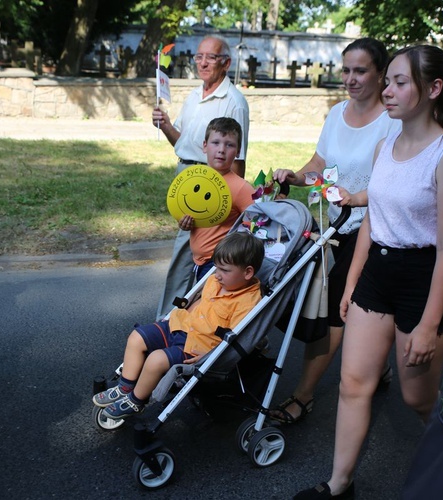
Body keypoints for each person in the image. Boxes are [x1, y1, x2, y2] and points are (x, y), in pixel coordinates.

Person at [293, 44, 443, 499]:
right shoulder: (385, 144)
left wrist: (429, 326)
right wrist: (352, 281)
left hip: (423, 280)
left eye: (398, 82)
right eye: (387, 81)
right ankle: (339, 485)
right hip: (377, 271)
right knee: (354, 383)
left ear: (433, 89)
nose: (387, 91)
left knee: (417, 398)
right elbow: (374, 218)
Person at [269, 38, 400, 424]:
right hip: (327, 227)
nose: (351, 79)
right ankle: (380, 369)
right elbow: (320, 166)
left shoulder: (392, 122)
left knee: (334, 316)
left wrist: (354, 199)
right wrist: (294, 177)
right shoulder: (336, 113)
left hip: (368, 232)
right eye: (346, 70)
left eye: (360, 71)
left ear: (380, 74)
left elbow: (390, 184)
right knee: (329, 310)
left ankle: (303, 396)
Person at [92, 231, 264, 419]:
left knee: (156, 359)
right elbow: (200, 301)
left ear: (248, 272)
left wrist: (210, 356)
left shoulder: (248, 302)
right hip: (180, 325)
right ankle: (125, 386)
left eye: (224, 270)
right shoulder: (215, 281)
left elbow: (238, 336)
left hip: (197, 346)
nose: (217, 275)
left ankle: (136, 400)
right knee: (137, 337)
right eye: (216, 268)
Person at [152, 35, 250, 319]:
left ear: (226, 63)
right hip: (186, 175)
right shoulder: (195, 95)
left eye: (211, 57)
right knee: (188, 253)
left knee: (190, 256)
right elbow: (182, 144)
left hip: (211, 184)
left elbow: (237, 158)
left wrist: (229, 209)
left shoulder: (234, 101)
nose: (203, 63)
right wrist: (166, 124)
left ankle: (169, 321)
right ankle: (183, 318)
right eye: (199, 57)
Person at [178, 117, 256, 282]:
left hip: (220, 266)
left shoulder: (241, 188)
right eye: (216, 143)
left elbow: (256, 225)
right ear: (204, 146)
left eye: (229, 145)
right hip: (199, 261)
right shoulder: (195, 180)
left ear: (238, 150)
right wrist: (185, 223)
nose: (221, 150)